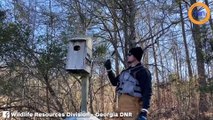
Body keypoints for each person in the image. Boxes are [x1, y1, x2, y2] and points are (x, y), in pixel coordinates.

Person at [104, 47, 152, 120]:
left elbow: (147, 91)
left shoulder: (143, 71)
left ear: (135, 56)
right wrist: (109, 69)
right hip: (120, 106)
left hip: (133, 106)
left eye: (129, 54)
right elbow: (114, 82)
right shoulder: (125, 72)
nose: (127, 56)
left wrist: (144, 111)